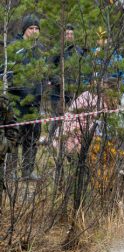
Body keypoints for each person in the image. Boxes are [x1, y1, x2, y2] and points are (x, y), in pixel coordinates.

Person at [7, 14, 47, 180]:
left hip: (35, 102)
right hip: (17, 102)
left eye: (37, 28)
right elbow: (6, 73)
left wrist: (41, 91)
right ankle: (10, 172)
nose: (34, 31)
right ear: (24, 29)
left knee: (32, 137)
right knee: (14, 137)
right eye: (31, 28)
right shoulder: (15, 47)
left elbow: (46, 74)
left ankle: (28, 171)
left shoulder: (41, 50)